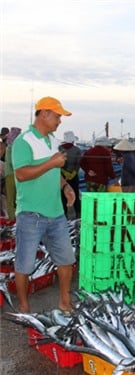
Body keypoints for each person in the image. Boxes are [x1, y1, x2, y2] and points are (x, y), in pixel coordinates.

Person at [12, 96, 76, 313]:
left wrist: (66, 187)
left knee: (66, 260)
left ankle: (65, 302)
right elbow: (20, 174)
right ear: (45, 113)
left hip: (56, 214)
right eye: (57, 116)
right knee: (25, 264)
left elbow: (54, 172)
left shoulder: (53, 141)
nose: (59, 121)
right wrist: (51, 162)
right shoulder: (23, 141)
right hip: (31, 215)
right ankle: (24, 307)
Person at [59, 131, 82, 217]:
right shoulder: (77, 150)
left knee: (62, 196)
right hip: (73, 176)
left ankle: (63, 215)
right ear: (73, 140)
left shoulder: (58, 149)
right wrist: (73, 173)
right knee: (75, 194)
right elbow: (78, 163)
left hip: (61, 177)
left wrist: (64, 172)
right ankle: (78, 214)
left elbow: (57, 163)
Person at [4, 127, 22, 219]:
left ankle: (12, 217)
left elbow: (12, 163)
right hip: (15, 175)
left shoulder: (10, 147)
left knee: (11, 198)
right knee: (15, 198)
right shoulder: (14, 147)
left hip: (11, 174)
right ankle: (15, 217)